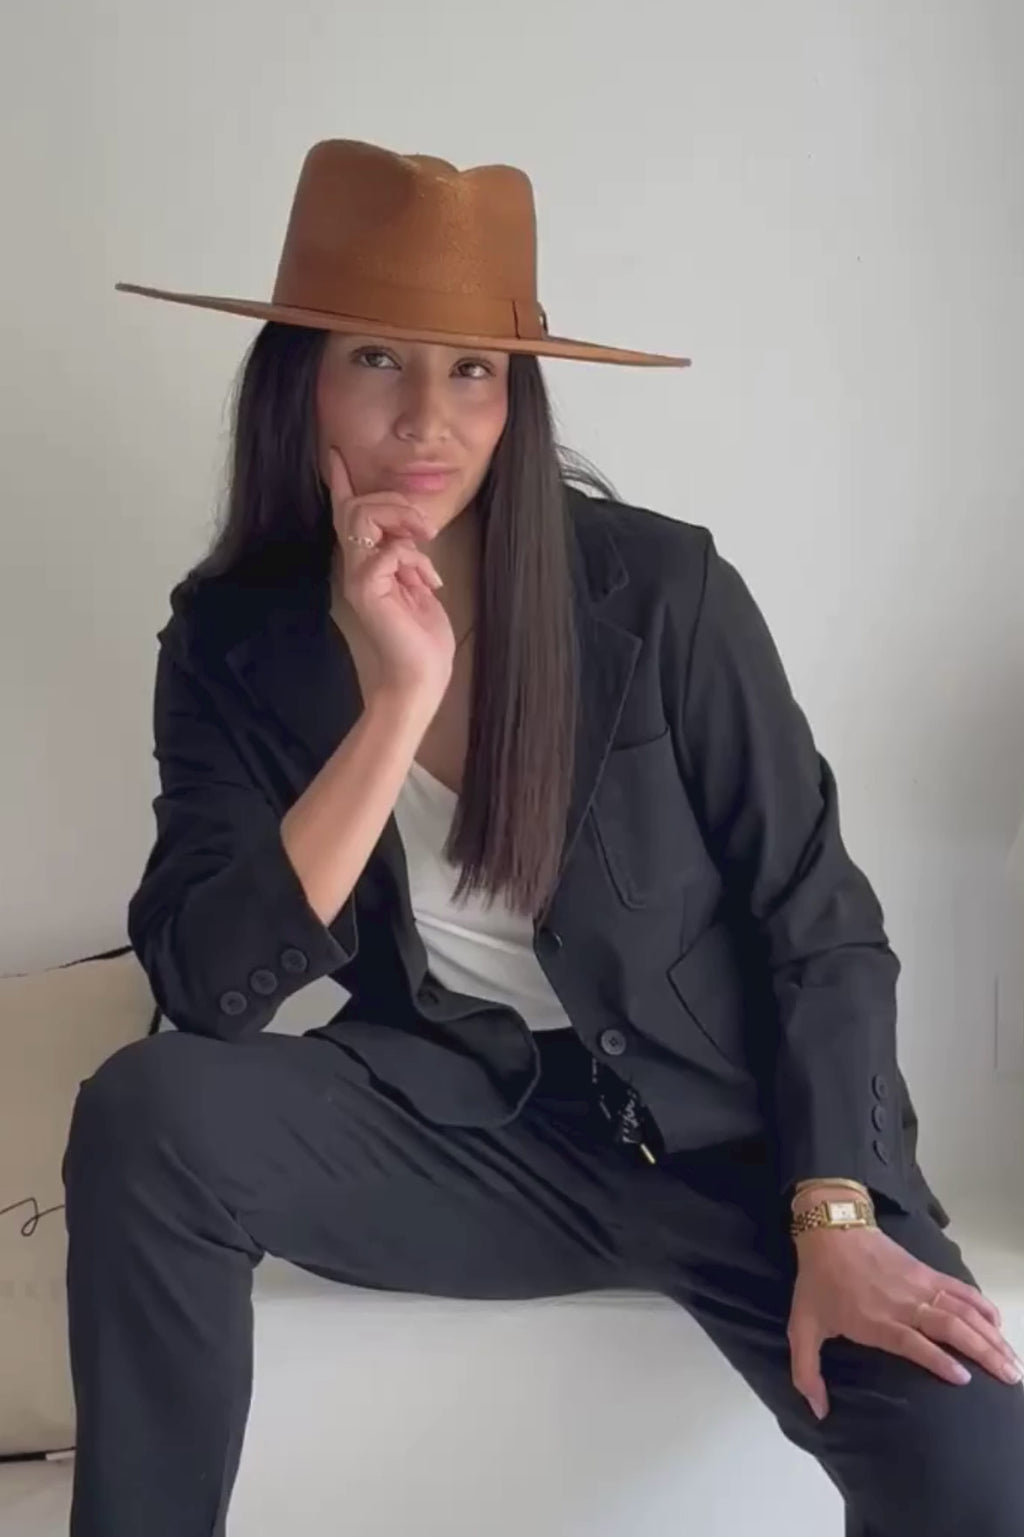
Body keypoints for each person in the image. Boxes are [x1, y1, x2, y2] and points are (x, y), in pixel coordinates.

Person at [62, 138, 1024, 1537]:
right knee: (145, 1113)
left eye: (473, 370)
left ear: (515, 396)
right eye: (376, 360)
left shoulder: (663, 591)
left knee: (983, 1480)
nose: (427, 419)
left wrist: (837, 1214)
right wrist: (395, 702)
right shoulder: (232, 640)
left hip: (739, 1148)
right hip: (463, 1132)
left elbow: (819, 922)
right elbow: (207, 988)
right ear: (298, 382)